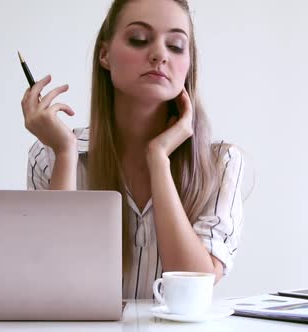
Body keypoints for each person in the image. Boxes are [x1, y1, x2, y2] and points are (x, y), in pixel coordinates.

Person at [21, 0, 244, 299]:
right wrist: (64, 154)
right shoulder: (48, 156)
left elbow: (194, 286)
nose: (159, 55)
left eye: (176, 45)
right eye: (139, 39)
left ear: (189, 63)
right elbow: (55, 284)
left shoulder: (220, 164)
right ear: (105, 55)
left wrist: (158, 158)